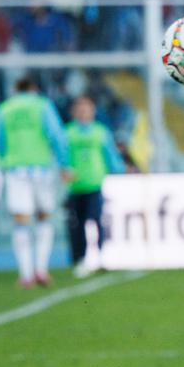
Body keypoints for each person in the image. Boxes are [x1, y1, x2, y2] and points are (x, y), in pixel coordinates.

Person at [0, 76, 68, 287]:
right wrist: (64, 163)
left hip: (16, 170)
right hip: (41, 168)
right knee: (44, 216)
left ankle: (26, 275)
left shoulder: (4, 109)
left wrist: (5, 160)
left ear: (15, 89)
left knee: (21, 220)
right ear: (34, 88)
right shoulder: (42, 105)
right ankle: (41, 269)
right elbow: (56, 135)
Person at [64, 95, 125, 278]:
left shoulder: (100, 132)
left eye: (87, 109)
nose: (83, 112)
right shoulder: (67, 132)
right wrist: (63, 169)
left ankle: (100, 256)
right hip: (75, 186)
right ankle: (80, 259)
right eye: (80, 109)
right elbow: (61, 155)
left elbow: (111, 154)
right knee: (77, 225)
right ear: (74, 112)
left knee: (96, 221)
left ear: (92, 111)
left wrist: (119, 169)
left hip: (94, 184)